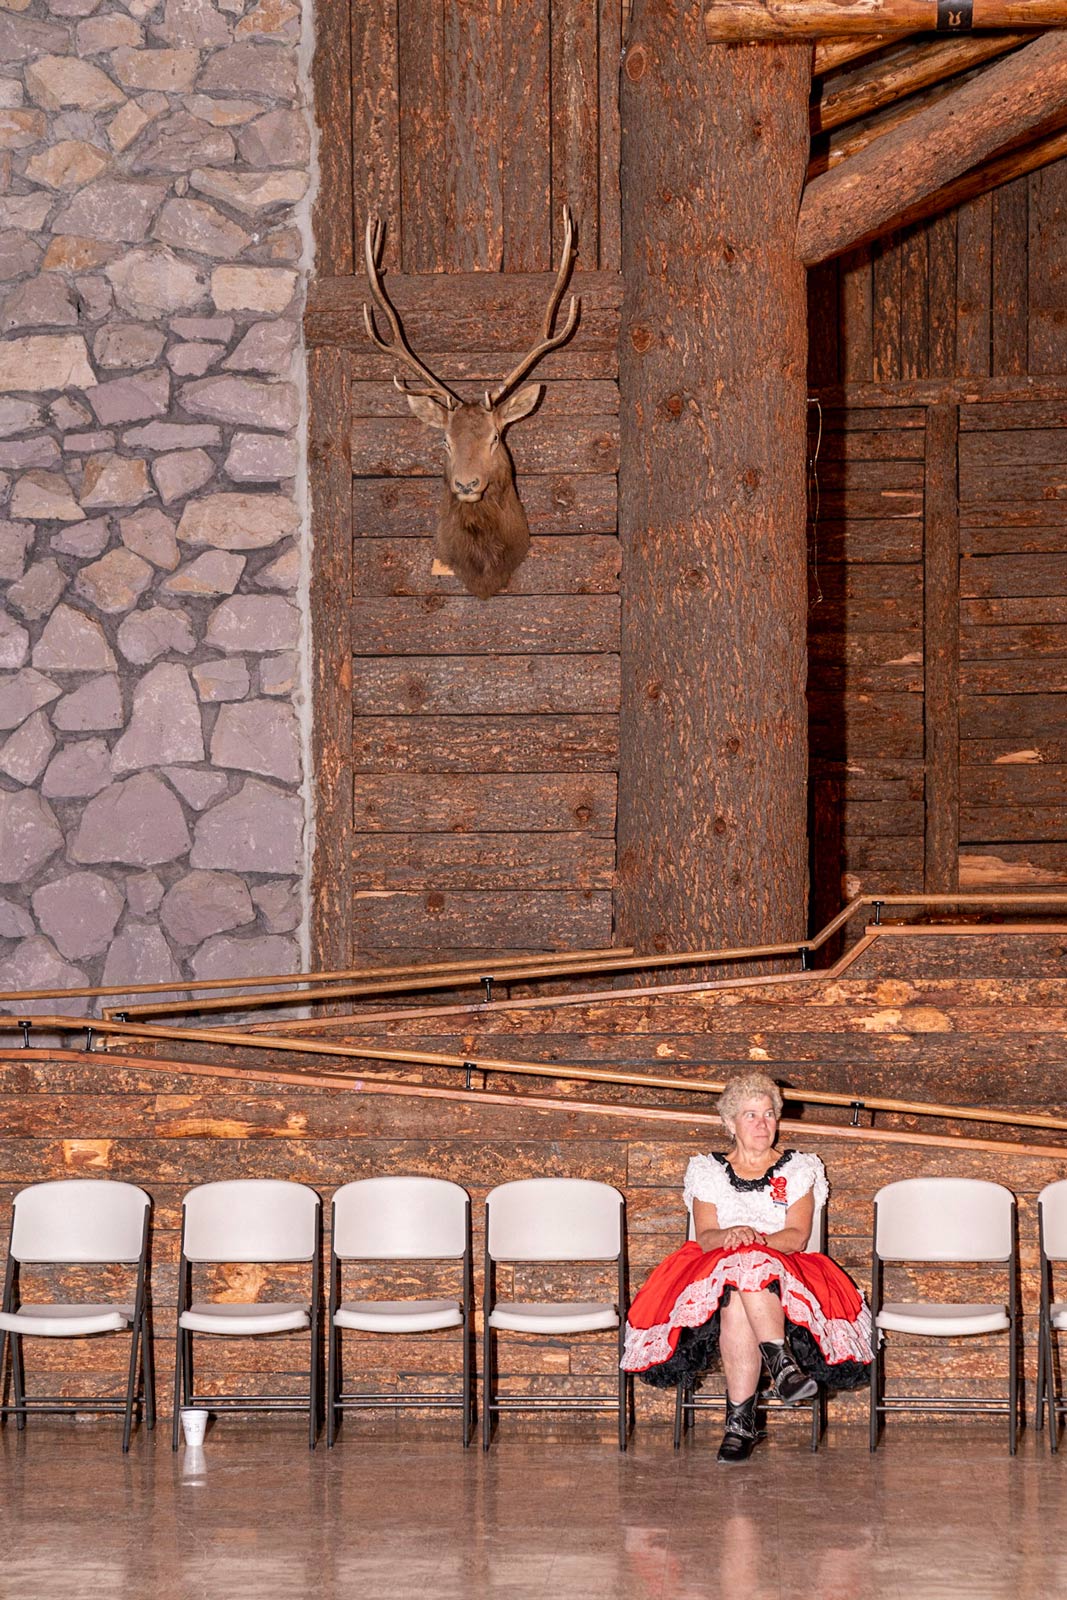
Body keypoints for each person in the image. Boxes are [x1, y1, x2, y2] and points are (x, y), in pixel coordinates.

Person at [621, 1071, 871, 1463]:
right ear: (730, 1123)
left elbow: (797, 1235)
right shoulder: (708, 1169)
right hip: (714, 1273)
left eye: (769, 1114)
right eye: (751, 1115)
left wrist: (756, 1241)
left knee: (748, 1274)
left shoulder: (799, 1168)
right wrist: (732, 1236)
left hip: (789, 1272)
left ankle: (739, 1424)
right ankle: (781, 1366)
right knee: (738, 1285)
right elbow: (705, 1237)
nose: (762, 1123)